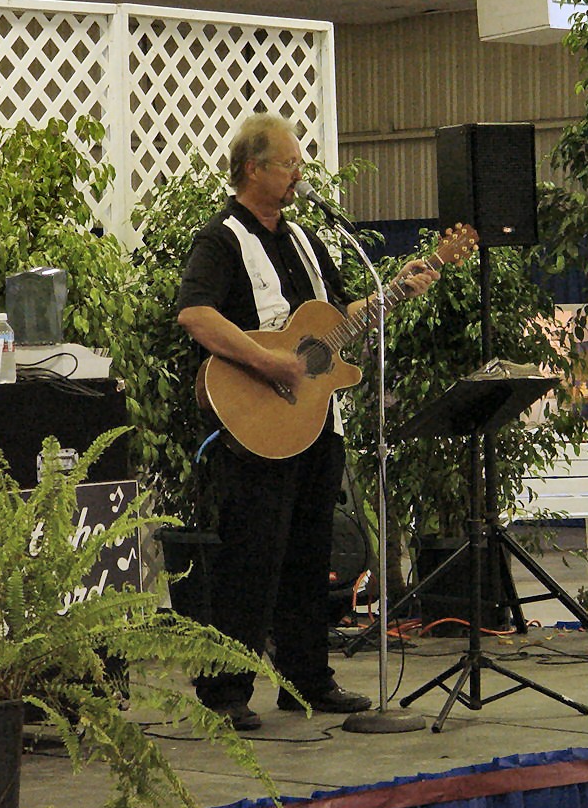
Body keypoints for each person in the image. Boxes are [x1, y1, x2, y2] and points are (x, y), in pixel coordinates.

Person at [176, 113, 438, 730]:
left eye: (298, 164)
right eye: (288, 163)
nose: (299, 174)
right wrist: (270, 361)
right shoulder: (220, 240)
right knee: (250, 558)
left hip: (317, 425)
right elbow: (194, 315)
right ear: (252, 169)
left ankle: (306, 680)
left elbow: (333, 320)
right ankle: (225, 692)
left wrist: (393, 292)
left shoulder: (304, 241)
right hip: (254, 425)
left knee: (307, 554)